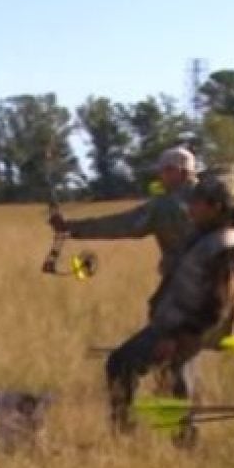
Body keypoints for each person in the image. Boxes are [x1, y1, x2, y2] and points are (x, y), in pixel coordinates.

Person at [103, 164, 234, 432]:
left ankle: (123, 433)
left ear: (215, 207)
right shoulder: (206, 235)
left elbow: (218, 304)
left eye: (196, 204)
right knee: (176, 387)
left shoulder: (224, 246)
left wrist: (178, 338)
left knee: (121, 364)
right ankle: (184, 443)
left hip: (181, 329)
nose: (190, 209)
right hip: (174, 325)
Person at [51, 146, 200, 398]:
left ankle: (123, 433)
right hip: (204, 305)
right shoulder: (212, 199)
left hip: (179, 302)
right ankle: (183, 431)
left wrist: (72, 228)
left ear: (180, 173)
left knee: (121, 365)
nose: (161, 177)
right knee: (177, 366)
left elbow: (124, 224)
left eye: (165, 171)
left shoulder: (167, 206)